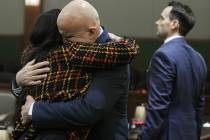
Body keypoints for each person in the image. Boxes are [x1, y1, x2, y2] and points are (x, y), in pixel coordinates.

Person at [12, 0, 139, 140]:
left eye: (69, 38)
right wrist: (18, 82)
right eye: (62, 37)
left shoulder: (114, 55)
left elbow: (90, 109)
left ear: (92, 31)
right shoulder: (71, 43)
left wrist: (34, 109)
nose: (65, 44)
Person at [139, 1, 207, 140]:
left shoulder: (163, 55)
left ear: (174, 24)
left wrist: (145, 137)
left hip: (168, 134)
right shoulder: (198, 58)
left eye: (162, 18)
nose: (157, 22)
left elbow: (158, 106)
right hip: (191, 133)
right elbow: (200, 105)